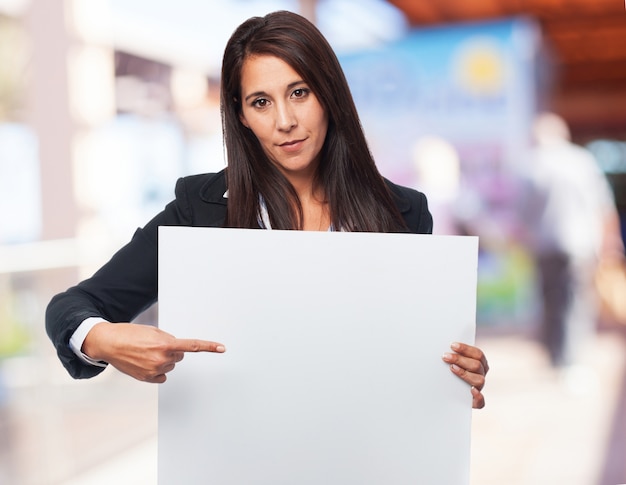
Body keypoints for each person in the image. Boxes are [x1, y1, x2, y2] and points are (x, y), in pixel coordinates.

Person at [45, 10, 489, 408]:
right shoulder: (199, 210)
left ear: (329, 94)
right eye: (261, 102)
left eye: (299, 93)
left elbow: (415, 354)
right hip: (240, 459)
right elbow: (73, 306)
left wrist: (456, 374)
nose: (284, 121)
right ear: (240, 114)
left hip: (363, 457)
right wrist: (102, 338)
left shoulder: (405, 213)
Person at [521, 112, 623, 373]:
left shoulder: (532, 164)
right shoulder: (582, 161)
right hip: (580, 243)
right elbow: (602, 205)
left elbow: (523, 212)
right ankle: (570, 360)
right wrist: (609, 242)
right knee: (575, 301)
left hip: (544, 245)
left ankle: (555, 356)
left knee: (550, 299)